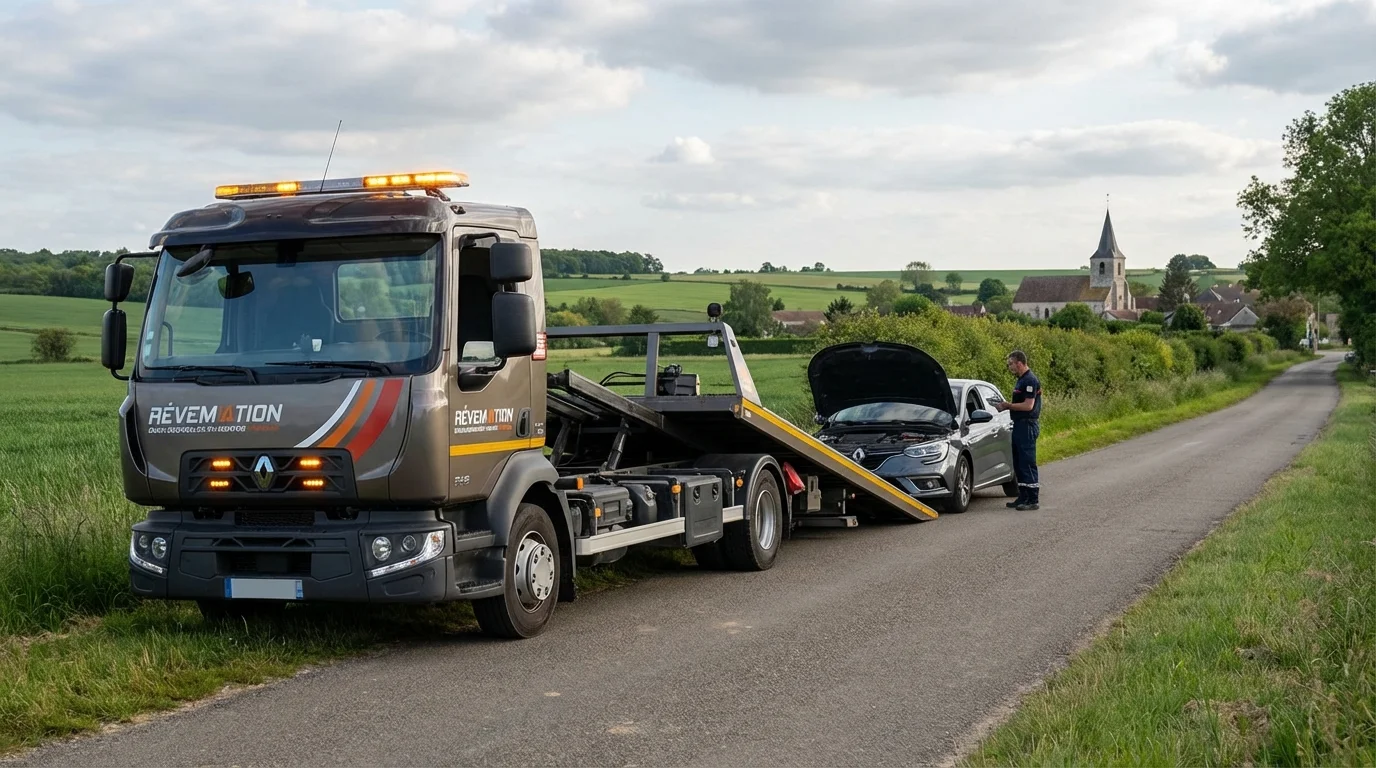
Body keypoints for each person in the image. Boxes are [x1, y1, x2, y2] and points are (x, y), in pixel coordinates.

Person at [994, 349, 1041, 510]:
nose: (1010, 368)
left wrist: (1008, 406)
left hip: (1027, 425)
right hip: (1019, 425)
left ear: (1019, 363)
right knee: (1019, 461)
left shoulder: (1029, 380)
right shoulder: (1021, 380)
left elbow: (1029, 405)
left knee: (1027, 461)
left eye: (1011, 364)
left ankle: (1032, 498)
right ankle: (1023, 495)